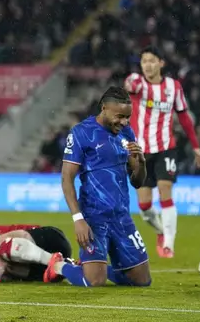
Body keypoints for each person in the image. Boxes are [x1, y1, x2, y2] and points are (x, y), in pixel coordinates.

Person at [43, 86, 152, 287]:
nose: (125, 122)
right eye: (120, 116)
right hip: (94, 218)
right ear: (104, 108)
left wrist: (141, 162)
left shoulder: (126, 132)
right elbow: (67, 178)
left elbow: (137, 181)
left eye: (128, 117)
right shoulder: (81, 133)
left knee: (142, 281)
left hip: (121, 217)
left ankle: (91, 266)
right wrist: (78, 219)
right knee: (94, 281)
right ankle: (60, 266)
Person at [124, 46, 200, 258]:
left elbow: (184, 118)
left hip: (166, 148)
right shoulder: (137, 84)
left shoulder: (173, 87)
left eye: (152, 61)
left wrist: (196, 146)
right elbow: (128, 84)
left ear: (161, 63)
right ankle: (161, 231)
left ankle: (169, 244)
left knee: (165, 189)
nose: (148, 65)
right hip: (139, 152)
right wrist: (129, 82)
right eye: (144, 62)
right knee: (144, 206)